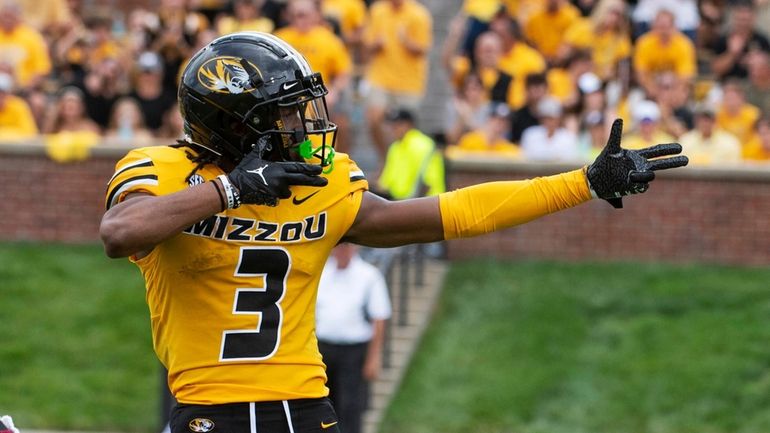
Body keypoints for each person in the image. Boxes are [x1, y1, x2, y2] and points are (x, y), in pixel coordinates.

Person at [99, 32, 688, 433]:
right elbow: (120, 232)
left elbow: (455, 212)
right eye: (282, 113)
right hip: (208, 409)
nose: (301, 125)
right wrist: (232, 189)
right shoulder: (165, 170)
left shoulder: (319, 182)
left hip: (306, 405)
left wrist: (581, 182)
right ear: (232, 124)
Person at [315, 243, 391, 433]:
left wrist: (373, 358)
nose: (342, 251)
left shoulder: (369, 276)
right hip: (323, 348)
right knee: (323, 404)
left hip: (353, 351)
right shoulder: (322, 273)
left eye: (346, 247)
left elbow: (379, 318)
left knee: (350, 405)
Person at [376, 108, 445, 200]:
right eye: (392, 125)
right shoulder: (395, 147)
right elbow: (385, 183)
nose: (393, 129)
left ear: (409, 125)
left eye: (398, 125)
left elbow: (428, 183)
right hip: (399, 201)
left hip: (425, 202)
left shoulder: (423, 145)